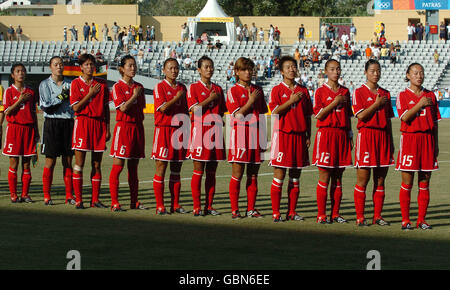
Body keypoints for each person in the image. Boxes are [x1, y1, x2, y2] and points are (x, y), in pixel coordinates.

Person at [395, 63, 440, 230]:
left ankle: (421, 220)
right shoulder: (402, 95)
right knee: (407, 181)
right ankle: (405, 220)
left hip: (427, 140)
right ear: (408, 75)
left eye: (421, 73)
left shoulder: (431, 95)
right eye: (415, 73)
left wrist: (435, 144)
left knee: (425, 181)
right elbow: (405, 118)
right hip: (410, 140)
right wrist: (420, 104)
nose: (419, 76)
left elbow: (435, 123)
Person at [269, 56, 313, 222]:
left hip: (300, 136)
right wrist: (291, 100)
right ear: (281, 71)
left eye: (294, 66)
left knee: (295, 176)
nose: (292, 69)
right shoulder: (277, 90)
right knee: (279, 174)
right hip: (283, 136)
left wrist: (308, 134)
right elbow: (275, 111)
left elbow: (308, 115)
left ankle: (292, 211)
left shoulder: (304, 90)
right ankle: (276, 213)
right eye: (288, 67)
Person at [352, 59, 395, 226]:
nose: (375, 74)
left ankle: (377, 216)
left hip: (383, 137)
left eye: (378, 71)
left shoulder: (386, 93)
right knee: (363, 179)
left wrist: (390, 141)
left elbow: (389, 120)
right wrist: (376, 104)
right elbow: (361, 116)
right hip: (367, 137)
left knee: (380, 180)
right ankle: (360, 217)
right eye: (372, 71)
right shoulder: (359, 92)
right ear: (365, 72)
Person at [226, 57, 268, 219]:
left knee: (253, 175)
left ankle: (251, 209)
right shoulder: (233, 91)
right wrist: (250, 101)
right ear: (237, 72)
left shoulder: (258, 90)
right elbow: (237, 116)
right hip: (240, 135)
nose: (248, 72)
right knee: (237, 173)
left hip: (256, 135)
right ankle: (235, 210)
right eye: (244, 69)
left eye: (250, 69)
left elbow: (262, 115)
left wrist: (264, 137)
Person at [312, 59, 353, 224]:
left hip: (342, 135)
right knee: (325, 175)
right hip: (327, 134)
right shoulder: (320, 91)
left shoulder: (345, 91)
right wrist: (334, 102)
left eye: (338, 69)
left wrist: (350, 134)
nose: (336, 72)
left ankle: (335, 214)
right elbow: (318, 115)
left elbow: (348, 116)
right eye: (332, 69)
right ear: (326, 72)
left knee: (338, 177)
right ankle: (321, 214)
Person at [186, 56, 227, 216]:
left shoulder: (218, 89)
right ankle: (197, 206)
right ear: (199, 69)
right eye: (206, 67)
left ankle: (209, 206)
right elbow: (194, 110)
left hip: (215, 132)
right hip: (200, 132)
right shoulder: (194, 88)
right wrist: (209, 99)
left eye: (211, 66)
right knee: (198, 170)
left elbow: (221, 110)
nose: (209, 69)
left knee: (212, 171)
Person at [70, 54, 111, 209]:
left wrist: (107, 128)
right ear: (81, 67)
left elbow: (106, 108)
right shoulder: (75, 84)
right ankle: (79, 200)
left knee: (97, 164)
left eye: (92, 64)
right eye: (86, 64)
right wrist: (90, 94)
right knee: (79, 164)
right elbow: (76, 107)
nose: (90, 67)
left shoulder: (102, 84)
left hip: (99, 125)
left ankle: (95, 200)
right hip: (82, 124)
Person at [109, 55, 147, 211]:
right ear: (121, 69)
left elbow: (141, 108)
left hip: (137, 128)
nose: (133, 68)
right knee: (118, 165)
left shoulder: (139, 86)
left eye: (134, 65)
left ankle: (134, 201)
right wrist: (134, 96)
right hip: (123, 128)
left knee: (134, 168)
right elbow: (122, 108)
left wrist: (136, 95)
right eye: (129, 66)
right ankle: (114, 202)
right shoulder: (117, 87)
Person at [152, 58, 189, 215]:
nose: (174, 71)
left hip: (179, 131)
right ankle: (160, 205)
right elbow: (164, 108)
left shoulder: (182, 87)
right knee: (161, 167)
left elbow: (186, 111)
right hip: (164, 130)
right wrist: (177, 97)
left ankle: (175, 204)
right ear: (164, 70)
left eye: (176, 68)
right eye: (170, 68)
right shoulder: (159, 87)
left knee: (176, 169)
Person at [39, 56, 76, 206]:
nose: (59, 66)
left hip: (68, 123)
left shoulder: (71, 83)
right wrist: (62, 97)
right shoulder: (44, 84)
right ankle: (47, 196)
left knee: (68, 161)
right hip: (52, 124)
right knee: (50, 161)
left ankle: (69, 196)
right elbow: (46, 106)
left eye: (61, 64)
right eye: (56, 64)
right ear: (50, 67)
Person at [2, 63, 39, 203]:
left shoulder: (31, 91)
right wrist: (19, 101)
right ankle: (13, 194)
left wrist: (36, 131)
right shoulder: (9, 92)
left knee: (27, 164)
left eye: (23, 71)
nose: (21, 73)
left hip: (29, 130)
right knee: (14, 163)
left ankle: (25, 194)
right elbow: (7, 112)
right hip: (14, 129)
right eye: (18, 71)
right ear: (12, 75)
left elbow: (34, 112)